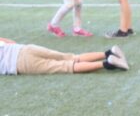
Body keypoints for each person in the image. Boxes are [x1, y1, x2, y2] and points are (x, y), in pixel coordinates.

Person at [0, 38, 128, 74]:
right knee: (71, 57)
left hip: (19, 64)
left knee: (66, 66)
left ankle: (108, 63)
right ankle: (108, 53)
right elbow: (10, 42)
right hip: (25, 49)